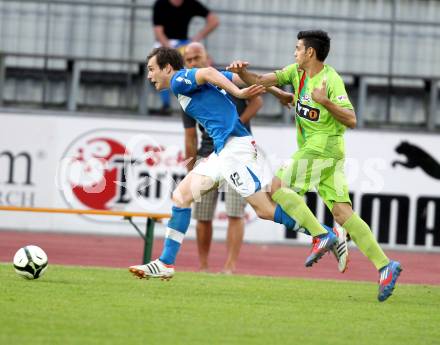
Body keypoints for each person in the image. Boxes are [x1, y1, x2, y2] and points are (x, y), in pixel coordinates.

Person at [129, 47, 338, 282]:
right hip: (222, 152)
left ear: (167, 68)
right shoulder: (189, 83)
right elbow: (241, 77)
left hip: (235, 149)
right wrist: (279, 93)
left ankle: (323, 233)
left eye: (151, 69)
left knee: (264, 210)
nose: (149, 76)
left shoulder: (179, 80)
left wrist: (238, 94)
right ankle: (166, 262)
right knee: (181, 196)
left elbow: (209, 72)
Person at [227, 30, 402, 302]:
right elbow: (260, 81)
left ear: (310, 52)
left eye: (297, 48)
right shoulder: (295, 73)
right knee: (343, 213)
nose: (294, 52)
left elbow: (352, 119)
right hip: (324, 151)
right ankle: (385, 266)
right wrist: (243, 72)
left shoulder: (330, 80)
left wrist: (325, 101)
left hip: (323, 146)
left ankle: (322, 235)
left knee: (277, 187)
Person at [182, 42, 263, 273]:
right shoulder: (187, 89)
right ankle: (204, 265)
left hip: (237, 153)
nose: (193, 63)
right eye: (189, 60)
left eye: (197, 57)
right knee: (203, 216)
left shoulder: (223, 79)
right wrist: (190, 169)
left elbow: (257, 99)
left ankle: (230, 266)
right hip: (207, 155)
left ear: (207, 58)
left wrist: (238, 123)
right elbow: (189, 137)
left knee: (235, 212)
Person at [152, 0, 219, 114]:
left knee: (207, 62)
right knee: (162, 65)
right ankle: (166, 104)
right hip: (165, 43)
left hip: (184, 44)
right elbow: (159, 32)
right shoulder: (160, 4)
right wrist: (172, 50)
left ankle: (210, 101)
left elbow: (214, 20)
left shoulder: (190, 3)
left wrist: (197, 38)